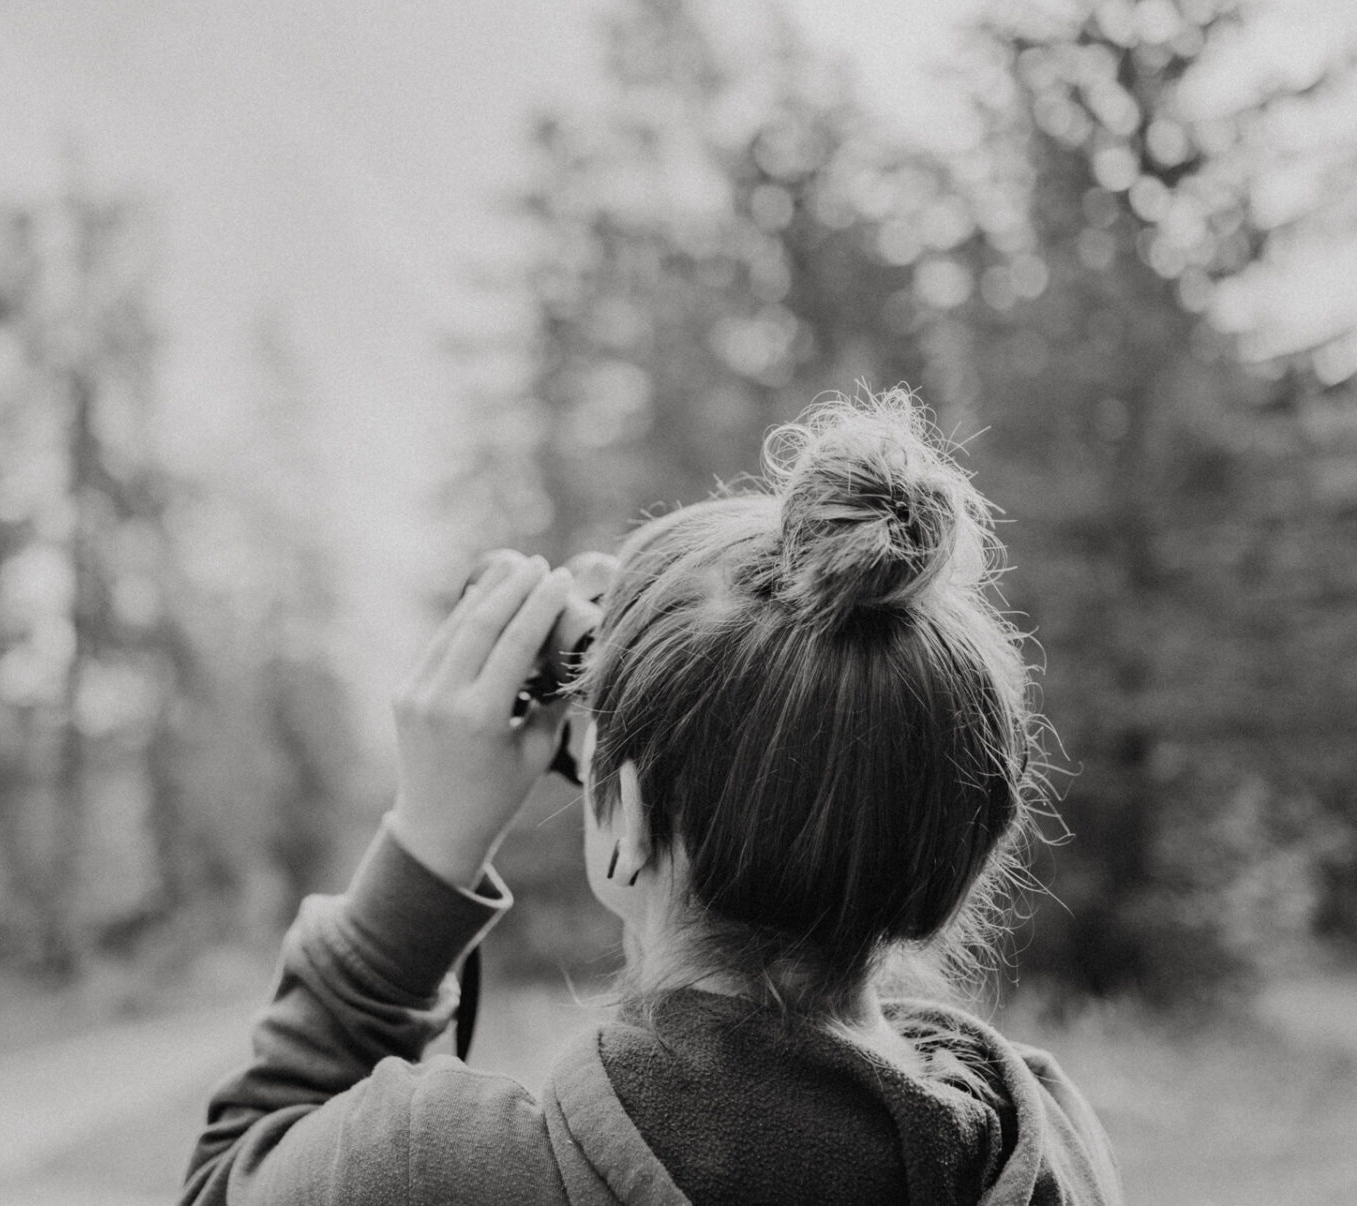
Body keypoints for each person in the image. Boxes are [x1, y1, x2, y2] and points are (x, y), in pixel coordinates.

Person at [182, 390, 1122, 1206]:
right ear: (956, 842)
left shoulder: (437, 1174)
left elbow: (229, 1179)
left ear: (625, 819)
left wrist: (427, 852)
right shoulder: (1042, 1150)